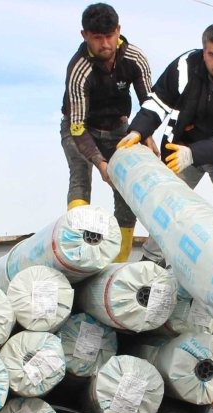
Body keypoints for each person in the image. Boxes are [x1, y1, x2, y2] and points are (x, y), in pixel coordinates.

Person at [116, 22, 213, 234]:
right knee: (168, 208)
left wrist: (193, 154)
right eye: (212, 55)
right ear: (203, 52)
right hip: (186, 145)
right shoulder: (185, 65)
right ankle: (152, 258)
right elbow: (159, 100)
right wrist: (138, 130)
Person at [60, 3, 154, 262]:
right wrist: (101, 164)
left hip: (119, 130)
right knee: (81, 178)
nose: (105, 44)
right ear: (85, 36)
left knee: (126, 192)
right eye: (98, 38)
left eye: (109, 36)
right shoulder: (79, 70)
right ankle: (78, 255)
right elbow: (77, 127)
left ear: (118, 31)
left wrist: (146, 134)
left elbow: (150, 104)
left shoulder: (135, 57)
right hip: (80, 129)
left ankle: (119, 264)